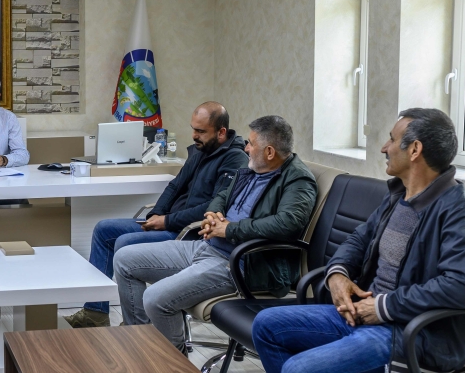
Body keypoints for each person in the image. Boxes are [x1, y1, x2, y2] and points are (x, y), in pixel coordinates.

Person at [251, 109, 465, 373]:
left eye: (392, 139)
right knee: (267, 326)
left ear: (415, 150)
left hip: (417, 337)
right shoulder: (398, 196)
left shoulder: (461, 211)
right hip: (370, 317)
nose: (384, 147)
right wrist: (337, 275)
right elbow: (357, 241)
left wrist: (382, 307)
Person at [115, 115, 317, 351]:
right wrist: (213, 213)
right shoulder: (252, 168)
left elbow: (288, 223)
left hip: (241, 263)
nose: (246, 148)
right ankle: (140, 344)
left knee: (155, 298)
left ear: (270, 152)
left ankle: (175, 366)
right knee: (124, 260)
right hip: (208, 246)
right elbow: (222, 195)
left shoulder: (298, 179)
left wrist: (229, 229)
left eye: (251, 144)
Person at [66, 102, 248, 328]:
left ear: (221, 132)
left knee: (124, 243)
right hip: (169, 223)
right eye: (193, 129)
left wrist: (167, 221)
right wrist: (155, 215)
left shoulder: (235, 159)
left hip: (189, 233)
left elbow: (212, 208)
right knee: (104, 229)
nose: (194, 135)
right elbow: (175, 186)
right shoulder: (201, 150)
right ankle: (95, 311)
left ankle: (138, 326)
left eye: (201, 131)